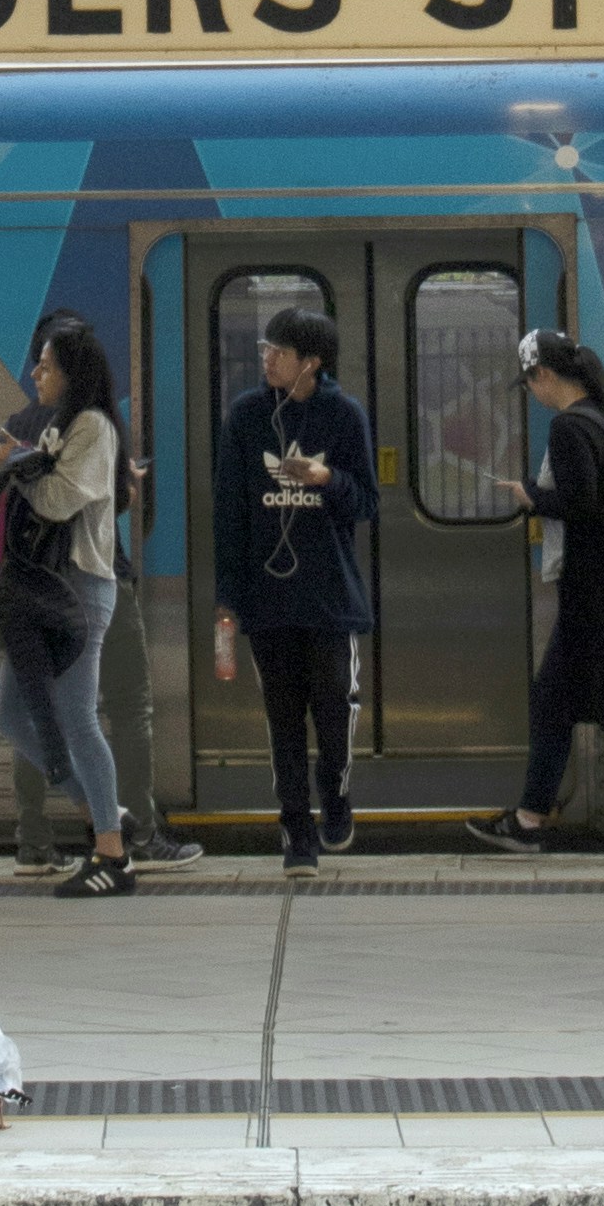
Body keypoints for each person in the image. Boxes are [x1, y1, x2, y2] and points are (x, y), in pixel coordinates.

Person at [461, 329, 604, 860]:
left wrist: (532, 497)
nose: (532, 393)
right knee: (553, 700)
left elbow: (579, 503)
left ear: (543, 376)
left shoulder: (568, 428)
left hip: (594, 589)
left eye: (530, 382)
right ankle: (529, 818)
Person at [213, 306, 378, 873]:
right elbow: (228, 512)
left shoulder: (344, 416)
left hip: (330, 597)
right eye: (265, 349)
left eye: (278, 352)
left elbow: (369, 503)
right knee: (282, 718)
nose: (266, 360)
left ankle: (335, 795)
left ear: (312, 363)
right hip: (268, 600)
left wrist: (328, 479)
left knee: (335, 711)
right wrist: (229, 600)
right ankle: (295, 830)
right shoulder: (246, 415)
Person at [0, 319, 138, 901]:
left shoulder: (94, 427)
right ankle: (101, 811)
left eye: (45, 365)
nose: (35, 374)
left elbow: (55, 500)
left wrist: (13, 465)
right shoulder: (61, 425)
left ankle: (112, 855)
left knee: (76, 719)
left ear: (71, 373)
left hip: (79, 592)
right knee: (11, 715)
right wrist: (20, 458)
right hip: (42, 591)